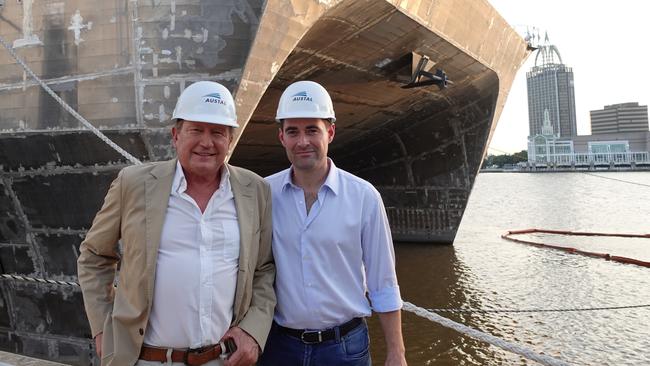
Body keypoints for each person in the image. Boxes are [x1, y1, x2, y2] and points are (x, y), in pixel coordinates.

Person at [77, 81, 275, 366]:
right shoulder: (133, 184)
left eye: (218, 132)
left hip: (223, 359)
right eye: (196, 130)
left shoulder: (254, 190)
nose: (207, 142)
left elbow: (264, 270)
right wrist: (101, 328)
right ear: (176, 135)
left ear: (230, 140)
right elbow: (94, 255)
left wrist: (253, 330)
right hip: (146, 359)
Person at [259, 81, 407, 366]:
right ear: (282, 138)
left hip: (344, 349)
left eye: (312, 129)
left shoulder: (364, 197)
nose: (302, 141)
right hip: (279, 346)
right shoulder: (264, 194)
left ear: (330, 132)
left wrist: (396, 353)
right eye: (293, 131)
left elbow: (383, 281)